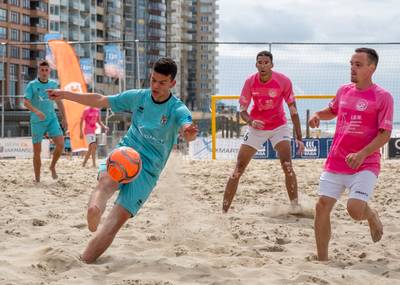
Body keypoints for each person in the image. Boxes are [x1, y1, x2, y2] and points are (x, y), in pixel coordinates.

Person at [47, 57, 198, 263]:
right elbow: (101, 100)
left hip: (147, 170)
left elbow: (186, 127)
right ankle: (93, 220)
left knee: (113, 217)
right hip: (126, 154)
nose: (155, 85)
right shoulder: (139, 97)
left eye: (162, 82)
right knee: (107, 190)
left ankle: (85, 257)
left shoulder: (177, 108)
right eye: (153, 80)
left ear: (172, 83)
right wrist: (66, 95)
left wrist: (189, 134)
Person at [309, 48, 393, 261]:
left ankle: (370, 214)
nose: (352, 68)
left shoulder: (383, 97)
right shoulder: (344, 90)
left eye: (358, 65)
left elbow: (385, 135)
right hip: (336, 160)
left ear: (371, 68)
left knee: (355, 210)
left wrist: (362, 154)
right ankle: (322, 260)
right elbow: (333, 110)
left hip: (365, 163)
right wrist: (319, 114)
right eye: (351, 64)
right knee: (321, 207)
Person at [222, 50, 305, 213]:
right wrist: (251, 121)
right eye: (260, 62)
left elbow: (293, 111)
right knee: (238, 169)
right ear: (256, 65)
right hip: (256, 126)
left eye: (266, 62)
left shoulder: (283, 81)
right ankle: (223, 211)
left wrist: (299, 138)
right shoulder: (250, 81)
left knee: (287, 166)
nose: (263, 65)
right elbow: (243, 111)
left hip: (279, 126)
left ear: (272, 65)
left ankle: (295, 207)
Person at [23, 60, 67, 182]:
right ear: (39, 71)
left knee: (61, 144)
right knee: (37, 152)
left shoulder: (53, 84)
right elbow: (25, 102)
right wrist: (36, 111)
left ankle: (52, 166)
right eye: (42, 70)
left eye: (46, 70)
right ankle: (37, 179)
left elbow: (59, 102)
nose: (44, 72)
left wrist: (64, 117)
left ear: (49, 71)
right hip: (37, 121)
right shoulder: (32, 85)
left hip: (52, 119)